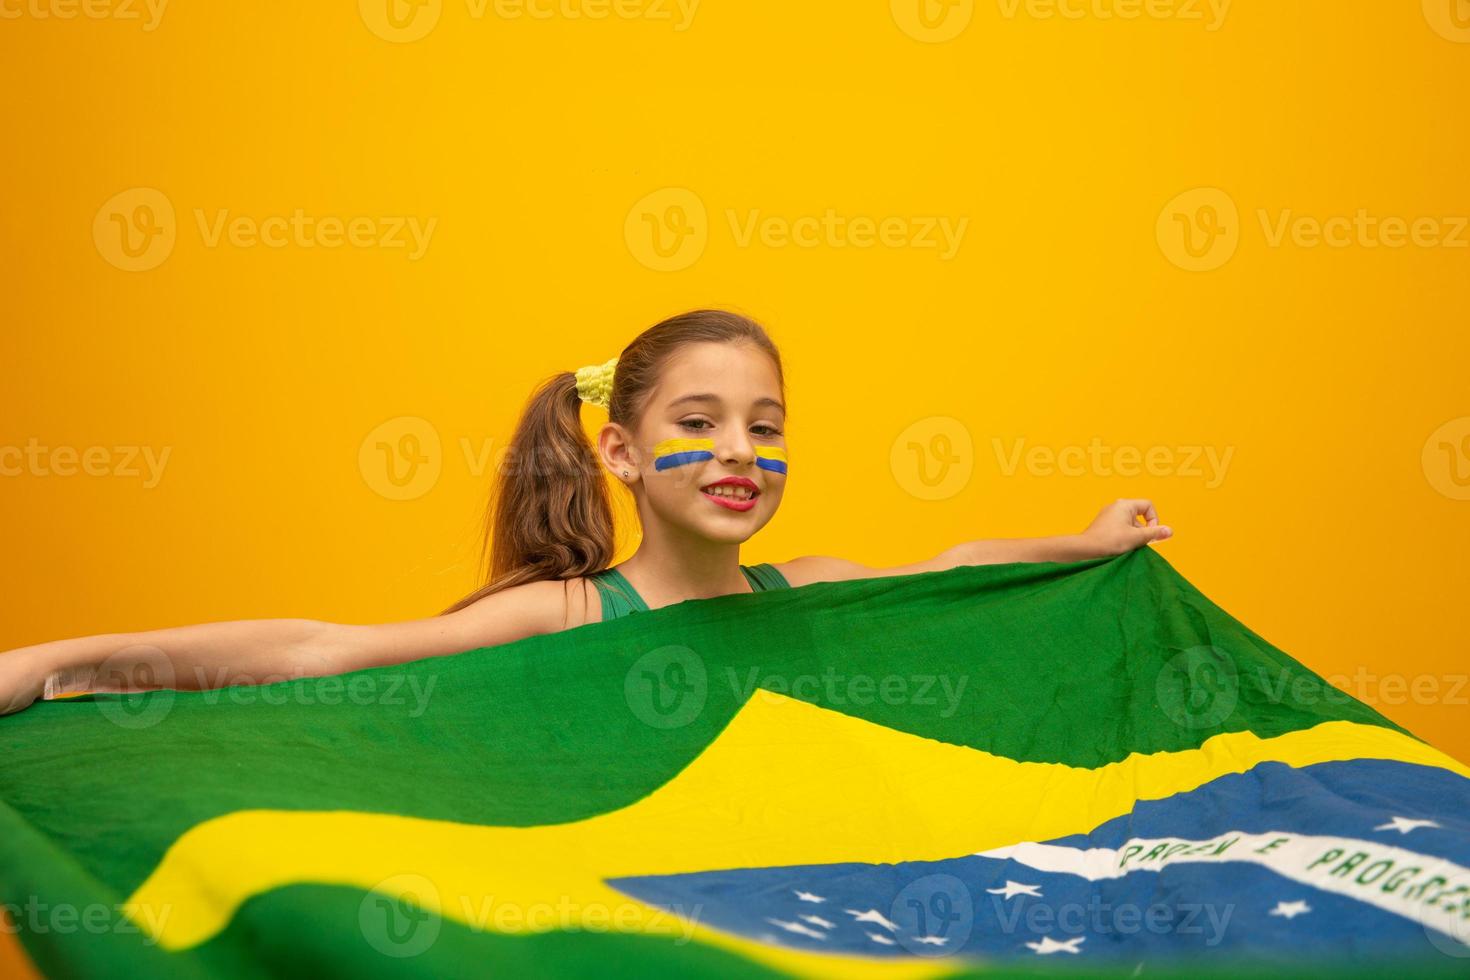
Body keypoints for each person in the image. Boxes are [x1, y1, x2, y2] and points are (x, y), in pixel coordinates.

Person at [0, 309, 1172, 716]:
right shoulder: (565, 611)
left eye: (766, 425)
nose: (738, 451)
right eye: (701, 419)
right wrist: (63, 657)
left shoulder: (806, 589)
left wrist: (1093, 538)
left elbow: (955, 562)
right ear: (619, 448)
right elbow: (324, 650)